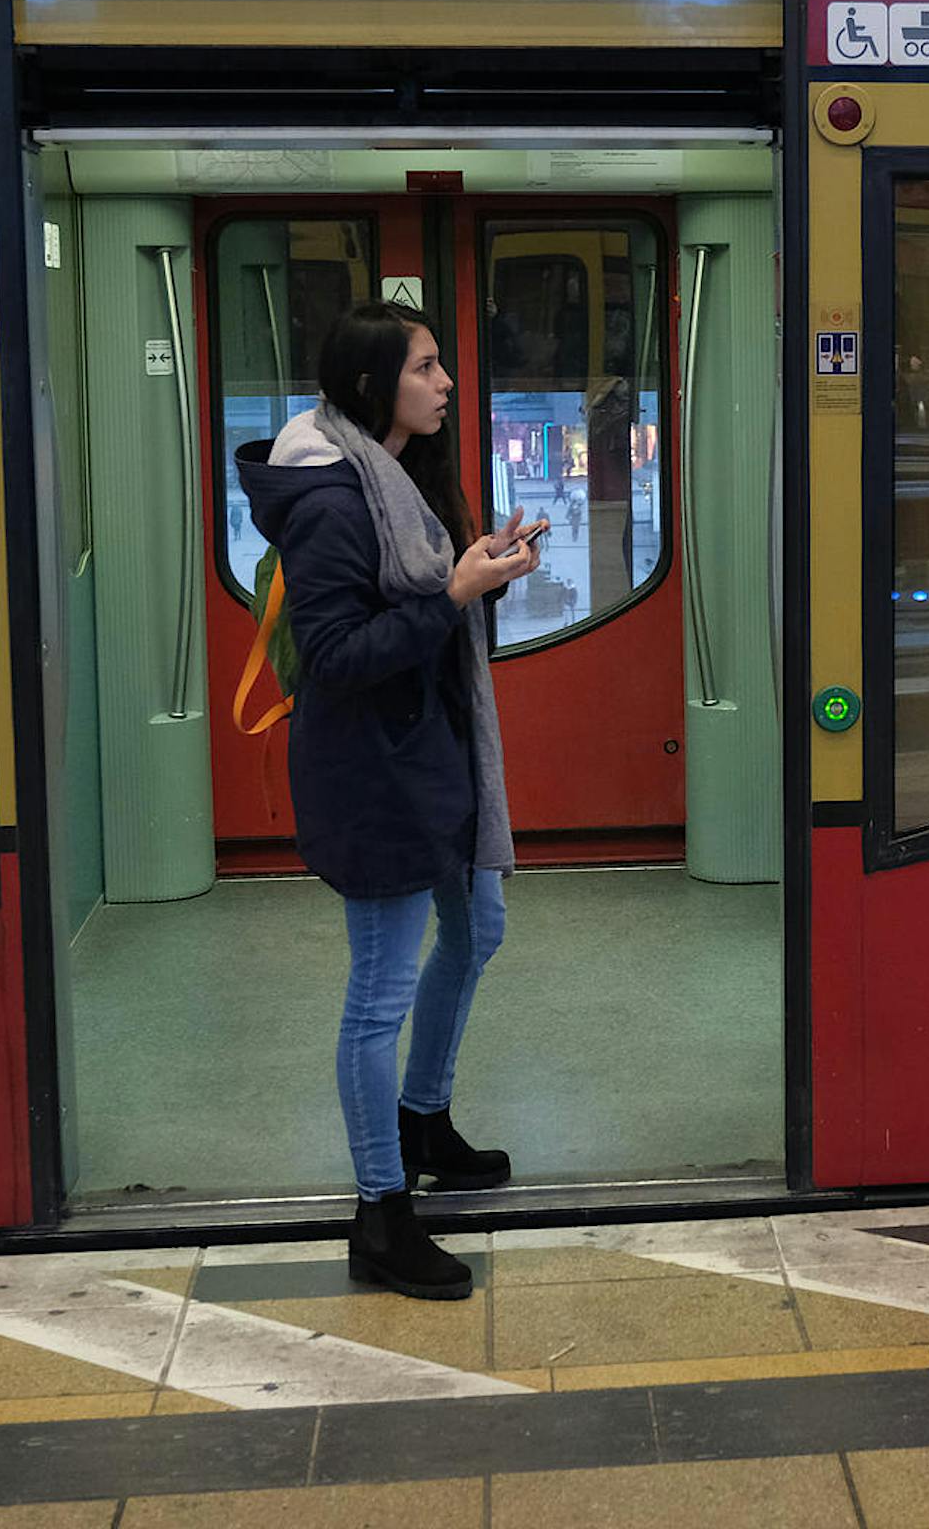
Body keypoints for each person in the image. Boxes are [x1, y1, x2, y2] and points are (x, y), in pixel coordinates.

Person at [237, 301, 541, 1302]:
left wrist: (481, 575)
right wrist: (449, 597)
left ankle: (425, 1120)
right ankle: (380, 1208)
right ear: (376, 387)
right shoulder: (330, 500)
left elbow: (421, 605)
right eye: (424, 365)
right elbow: (336, 656)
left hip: (434, 759)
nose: (446, 381)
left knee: (477, 929)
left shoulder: (399, 473)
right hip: (374, 774)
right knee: (379, 992)